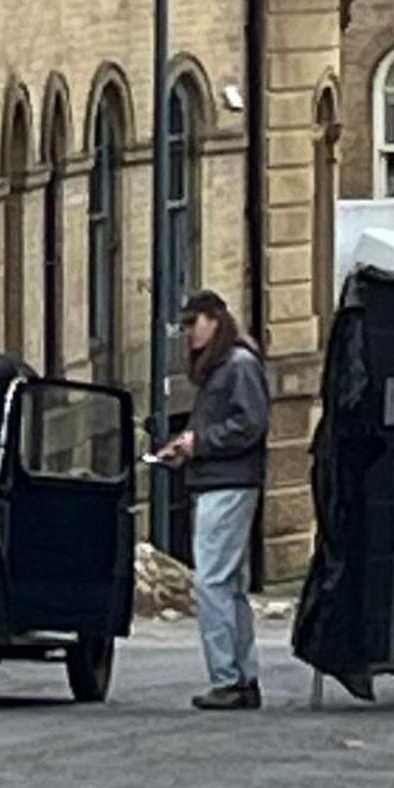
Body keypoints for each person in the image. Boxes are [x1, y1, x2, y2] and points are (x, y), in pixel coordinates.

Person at [147, 289, 268, 710]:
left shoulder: (237, 365)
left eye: (193, 324)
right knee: (229, 584)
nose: (188, 334)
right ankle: (241, 675)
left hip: (227, 482)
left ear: (215, 319)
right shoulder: (231, 365)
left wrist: (200, 443)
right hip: (225, 477)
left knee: (212, 581)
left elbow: (250, 424)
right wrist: (190, 448)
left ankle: (228, 677)